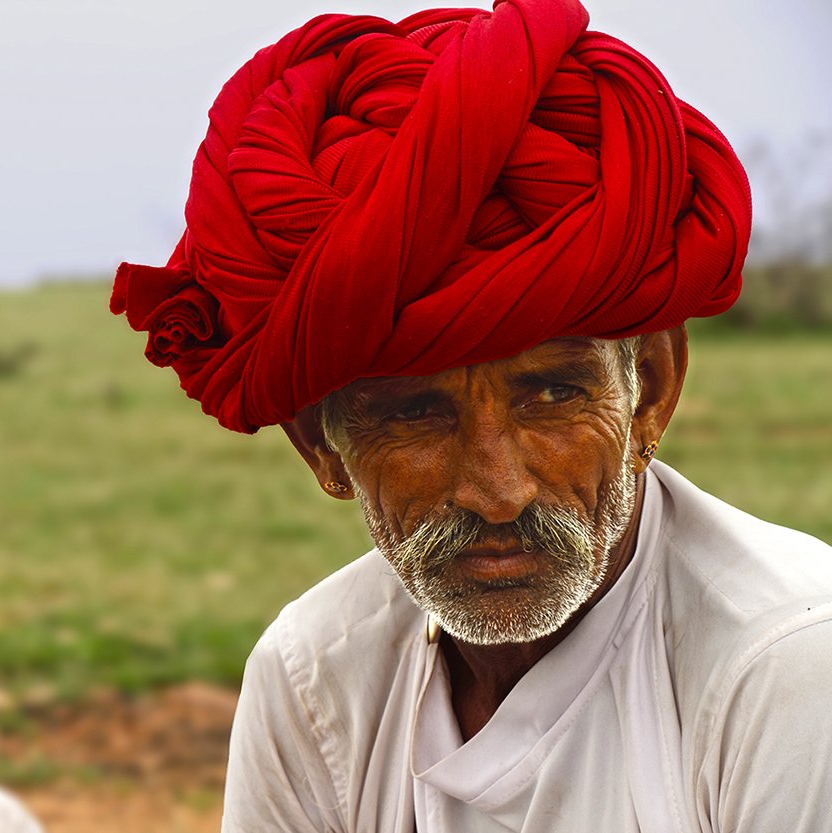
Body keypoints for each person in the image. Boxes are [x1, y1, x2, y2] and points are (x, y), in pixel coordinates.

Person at [109, 0, 832, 829]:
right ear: (323, 447)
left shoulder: (788, 664)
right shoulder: (314, 679)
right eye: (418, 412)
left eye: (553, 394)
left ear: (652, 391)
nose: (500, 490)